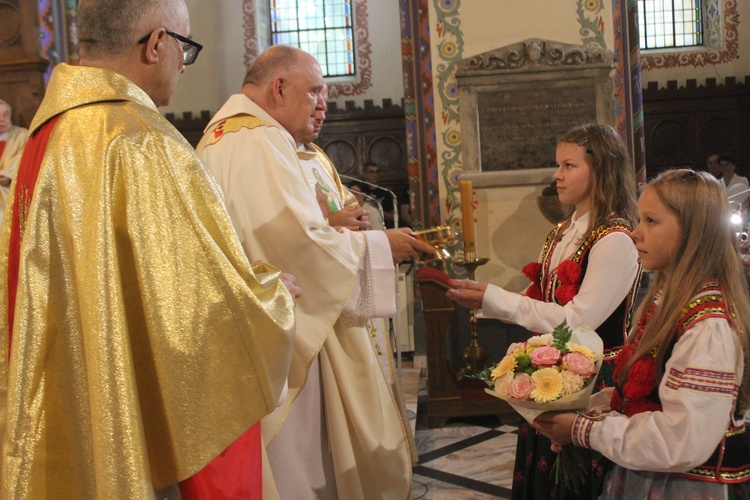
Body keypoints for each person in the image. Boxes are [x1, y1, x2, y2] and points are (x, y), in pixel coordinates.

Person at [0, 0, 297, 497]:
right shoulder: (141, 141)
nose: (183, 64)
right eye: (185, 48)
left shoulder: (42, 138)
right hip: (131, 418)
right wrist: (270, 297)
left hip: (61, 403)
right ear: (157, 43)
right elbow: (194, 316)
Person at [196, 45, 436, 499]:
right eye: (316, 91)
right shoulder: (255, 140)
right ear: (279, 87)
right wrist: (382, 245)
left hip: (269, 328)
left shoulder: (234, 135)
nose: (324, 101)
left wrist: (336, 227)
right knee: (303, 465)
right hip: (288, 340)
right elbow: (293, 244)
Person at [447, 123, 642, 499]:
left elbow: (577, 322)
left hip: (595, 381)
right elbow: (540, 300)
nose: (557, 175)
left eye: (569, 165)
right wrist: (482, 300)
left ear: (600, 169)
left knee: (579, 482)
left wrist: (494, 298)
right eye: (558, 165)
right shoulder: (562, 232)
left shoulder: (615, 238)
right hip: (553, 373)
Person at [533, 169, 750, 499]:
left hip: (690, 487)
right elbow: (649, 394)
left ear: (693, 231)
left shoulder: (709, 326)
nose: (635, 233)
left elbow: (681, 440)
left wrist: (584, 430)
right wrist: (586, 408)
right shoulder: (670, 302)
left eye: (651, 221)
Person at [0, 98, 29, 221]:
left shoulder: (22, 135)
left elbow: (23, 159)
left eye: (5, 115)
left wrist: (8, 175)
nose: (2, 120)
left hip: (10, 191)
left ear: (11, 116)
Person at [361, 160, 397, 227]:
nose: (375, 175)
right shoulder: (359, 190)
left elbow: (393, 217)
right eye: (371, 172)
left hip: (381, 225)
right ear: (364, 174)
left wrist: (377, 210)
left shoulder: (386, 193)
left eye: (377, 172)